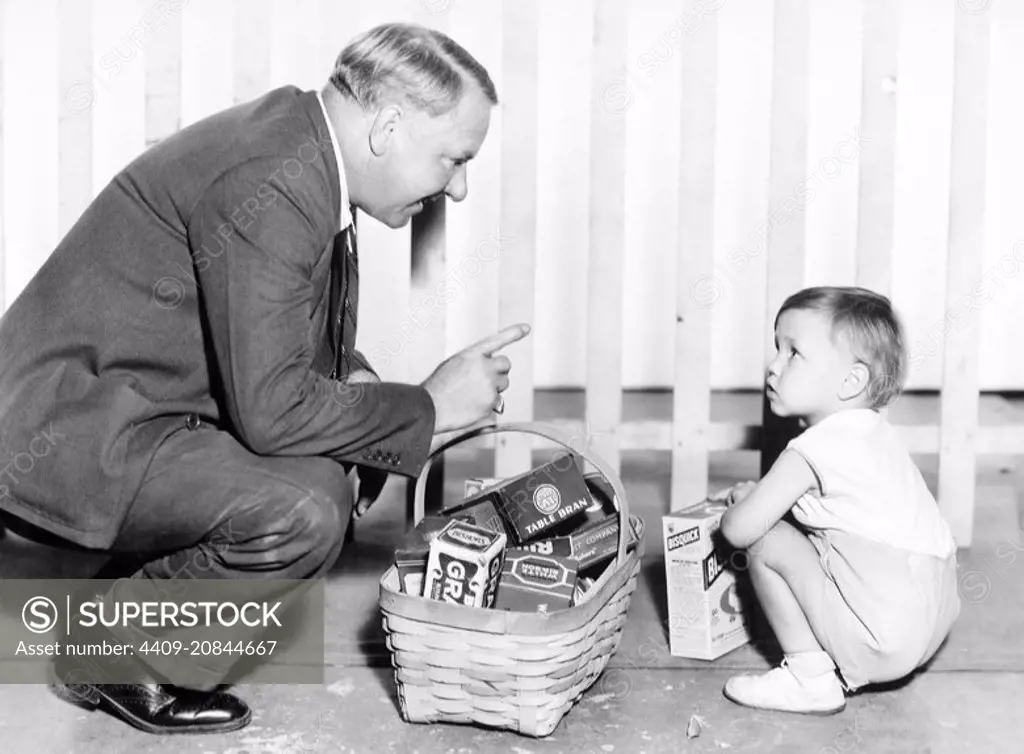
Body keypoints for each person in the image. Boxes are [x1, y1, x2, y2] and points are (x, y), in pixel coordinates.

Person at [0, 23, 526, 734]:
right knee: (300, 509)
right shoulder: (275, 178)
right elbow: (274, 411)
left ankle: (128, 607)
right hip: (72, 427)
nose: (457, 189)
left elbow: (287, 347)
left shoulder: (302, 151)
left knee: (332, 469)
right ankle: (115, 654)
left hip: (132, 404)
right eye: (453, 159)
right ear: (390, 126)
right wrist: (427, 405)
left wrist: (376, 397)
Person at [714, 286, 960, 715]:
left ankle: (809, 680)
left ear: (851, 380)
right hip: (931, 623)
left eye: (794, 354)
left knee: (765, 543)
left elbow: (738, 530)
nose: (773, 367)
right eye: (777, 348)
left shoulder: (814, 449)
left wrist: (744, 504)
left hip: (881, 637)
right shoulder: (875, 434)